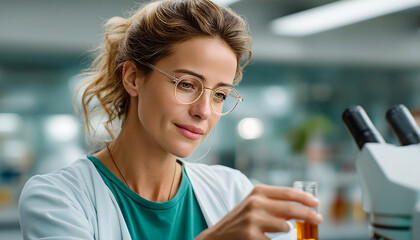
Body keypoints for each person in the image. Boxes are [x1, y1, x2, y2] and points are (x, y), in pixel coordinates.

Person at [18, 0, 323, 239]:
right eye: (187, 84)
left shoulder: (234, 192)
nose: (204, 110)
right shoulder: (58, 197)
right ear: (134, 78)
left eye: (219, 94)